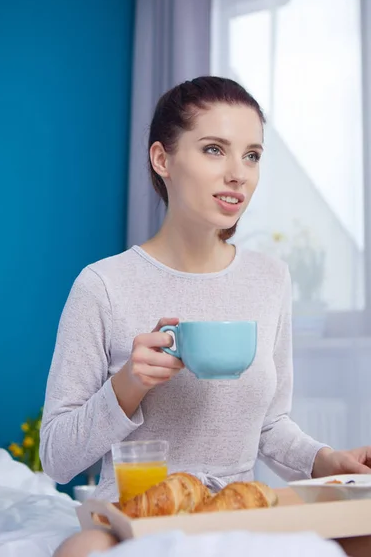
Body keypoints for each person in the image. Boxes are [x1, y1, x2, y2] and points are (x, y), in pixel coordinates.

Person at [40, 76, 371, 502]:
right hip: (137, 515)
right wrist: (128, 385)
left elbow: (269, 426)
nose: (238, 174)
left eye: (252, 156)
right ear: (163, 159)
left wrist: (328, 462)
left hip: (237, 510)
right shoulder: (102, 286)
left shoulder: (270, 279)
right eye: (214, 149)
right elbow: (57, 459)